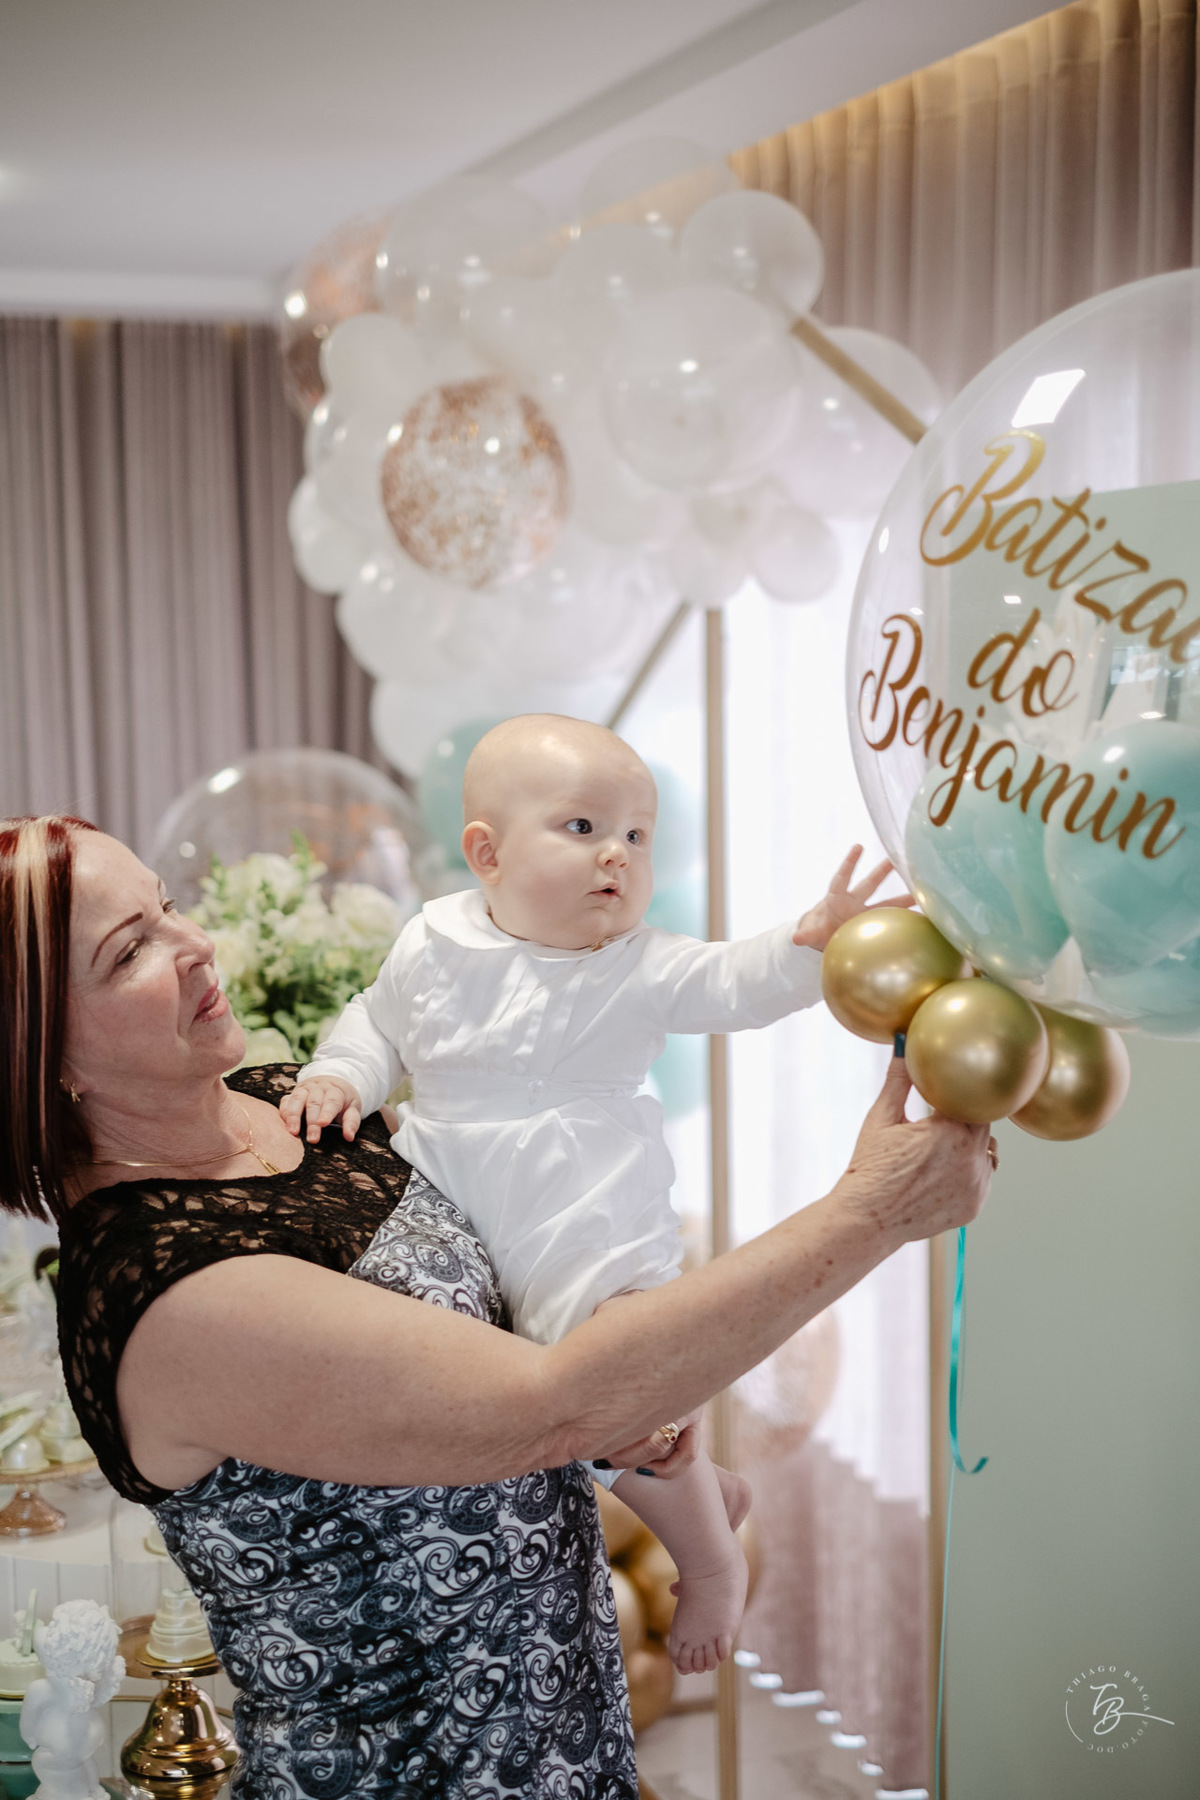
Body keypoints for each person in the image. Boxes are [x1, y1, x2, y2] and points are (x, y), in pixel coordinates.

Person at [0, 813, 992, 1800]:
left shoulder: (285, 1099)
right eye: (128, 949)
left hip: (564, 1729)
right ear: (39, 1055)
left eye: (167, 909)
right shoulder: (171, 1288)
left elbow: (494, 1301)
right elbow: (552, 1402)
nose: (192, 946)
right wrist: (871, 1213)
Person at [286, 714, 914, 1676]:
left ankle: (707, 1560)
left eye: (636, 836)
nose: (616, 856)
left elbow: (730, 983)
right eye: (583, 828)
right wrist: (344, 1077)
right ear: (486, 855)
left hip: (585, 1211)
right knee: (521, 1407)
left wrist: (805, 945)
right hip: (455, 1192)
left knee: (613, 1398)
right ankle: (706, 1490)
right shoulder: (431, 939)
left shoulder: (638, 963)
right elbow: (376, 1024)